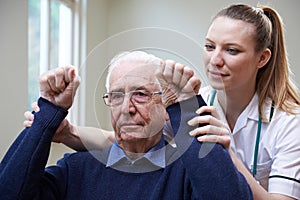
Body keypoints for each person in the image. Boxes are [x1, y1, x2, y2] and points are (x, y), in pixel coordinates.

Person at [23, 3, 300, 199]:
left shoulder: (289, 123)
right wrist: (65, 132)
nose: (215, 60)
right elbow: (126, 134)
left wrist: (221, 151)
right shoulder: (188, 101)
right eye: (209, 46)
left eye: (232, 50)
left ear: (262, 58)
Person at [0, 51, 253, 199]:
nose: (126, 108)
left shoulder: (189, 173)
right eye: (117, 96)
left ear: (167, 108)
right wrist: (49, 112)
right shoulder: (75, 169)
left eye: (141, 94)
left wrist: (185, 109)